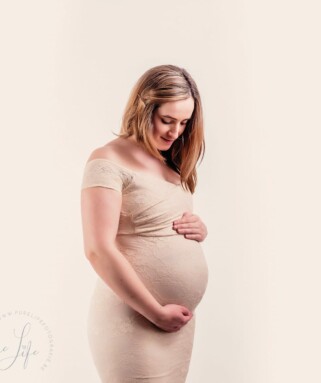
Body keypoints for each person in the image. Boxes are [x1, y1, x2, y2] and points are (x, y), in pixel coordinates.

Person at [80, 64, 209, 382]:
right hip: (134, 319)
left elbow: (159, 220)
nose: (175, 132)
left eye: (183, 122)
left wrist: (198, 230)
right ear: (143, 107)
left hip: (176, 326)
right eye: (167, 120)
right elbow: (98, 249)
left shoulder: (170, 164)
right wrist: (156, 313)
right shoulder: (106, 161)